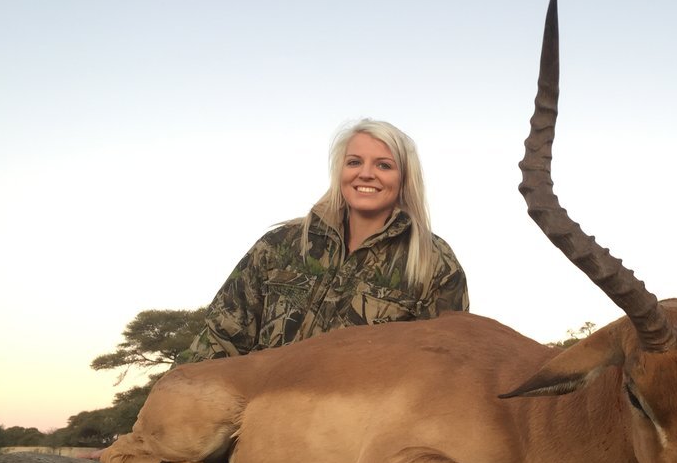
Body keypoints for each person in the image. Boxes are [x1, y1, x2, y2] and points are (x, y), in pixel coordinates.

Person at [182, 118, 469, 364]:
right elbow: (219, 339)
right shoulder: (280, 244)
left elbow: (438, 369)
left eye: (384, 165)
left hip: (361, 426)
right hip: (255, 417)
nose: (365, 173)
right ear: (340, 171)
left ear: (405, 177)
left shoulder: (435, 263)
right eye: (354, 162)